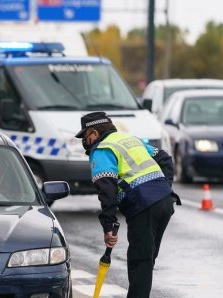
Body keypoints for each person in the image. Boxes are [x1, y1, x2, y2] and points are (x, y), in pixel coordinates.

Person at [75, 112, 180, 298]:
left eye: (85, 136)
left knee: (140, 261)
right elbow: (165, 158)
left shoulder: (102, 150)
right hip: (164, 201)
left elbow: (106, 190)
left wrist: (108, 225)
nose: (85, 141)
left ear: (95, 133)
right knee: (146, 260)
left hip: (144, 206)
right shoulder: (128, 139)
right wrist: (164, 189)